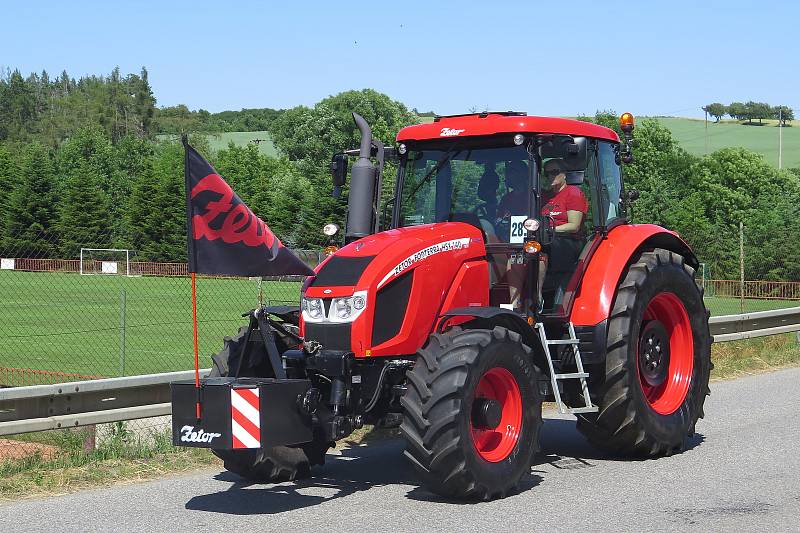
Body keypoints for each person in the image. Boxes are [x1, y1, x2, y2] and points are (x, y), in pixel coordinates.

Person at [537, 158, 588, 310]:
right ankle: (514, 301)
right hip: (547, 238)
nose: (550, 176)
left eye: (554, 172)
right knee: (517, 251)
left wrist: (548, 230)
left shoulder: (573, 193)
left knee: (540, 248)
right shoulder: (543, 196)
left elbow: (574, 225)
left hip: (568, 241)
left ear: (564, 174)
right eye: (547, 174)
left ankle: (536, 297)